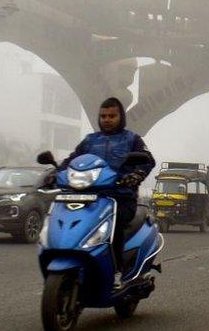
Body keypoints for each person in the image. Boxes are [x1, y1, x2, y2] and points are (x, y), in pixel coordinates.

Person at [54, 97, 155, 287]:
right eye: (103, 116)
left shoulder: (132, 139)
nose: (107, 119)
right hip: (89, 198)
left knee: (113, 229)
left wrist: (137, 174)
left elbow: (148, 160)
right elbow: (71, 160)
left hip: (120, 198)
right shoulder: (90, 141)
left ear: (121, 117)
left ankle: (118, 271)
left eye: (112, 116)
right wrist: (56, 172)